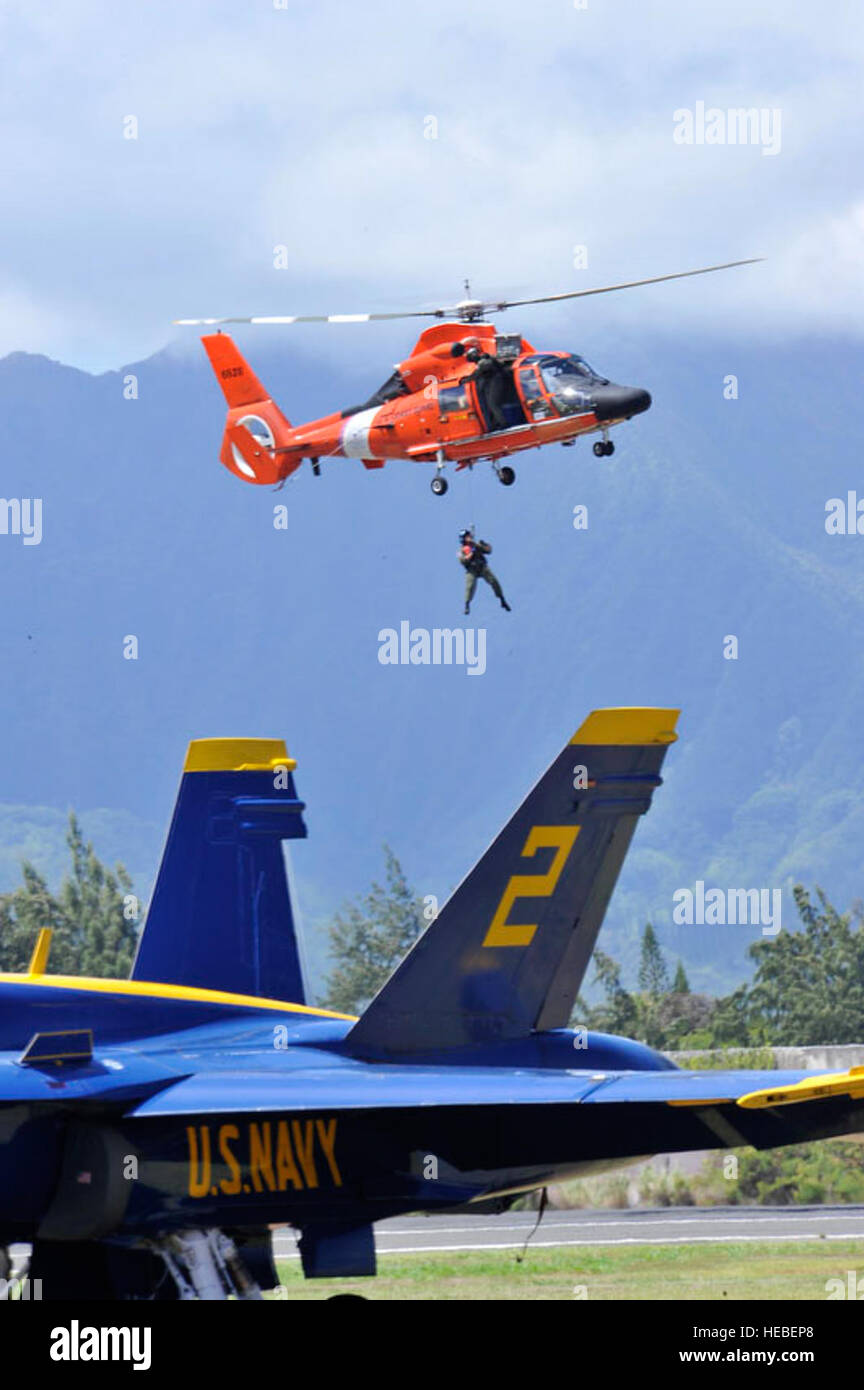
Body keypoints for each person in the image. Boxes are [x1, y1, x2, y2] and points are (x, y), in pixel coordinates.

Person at [459, 528, 511, 614]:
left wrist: (477, 545)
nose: (468, 538)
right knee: (470, 586)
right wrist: (471, 553)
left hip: (482, 567)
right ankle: (467, 606)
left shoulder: (476, 544)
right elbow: (463, 560)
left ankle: (502, 600)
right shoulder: (462, 551)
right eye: (466, 537)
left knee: (494, 581)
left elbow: (488, 550)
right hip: (472, 570)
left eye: (468, 536)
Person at [464, 348, 510, 432]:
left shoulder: (484, 362)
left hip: (496, 381)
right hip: (492, 381)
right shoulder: (484, 361)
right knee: (489, 403)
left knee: (493, 403)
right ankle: (496, 423)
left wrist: (465, 380)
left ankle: (503, 423)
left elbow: (477, 373)